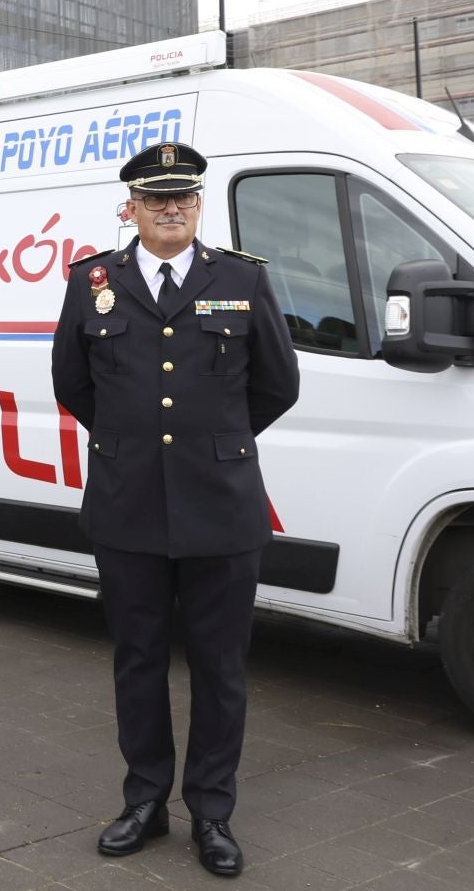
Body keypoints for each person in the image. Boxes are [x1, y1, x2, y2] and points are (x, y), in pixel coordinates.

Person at [51, 143, 300, 878]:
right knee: (137, 664)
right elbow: (73, 382)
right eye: (155, 199)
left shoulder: (241, 278)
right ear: (130, 206)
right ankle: (144, 802)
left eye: (183, 199)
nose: (170, 209)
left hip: (222, 510)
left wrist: (215, 443)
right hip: (127, 507)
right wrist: (134, 444)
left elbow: (277, 384)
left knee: (221, 670)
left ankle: (212, 813)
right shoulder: (92, 281)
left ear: (198, 204)